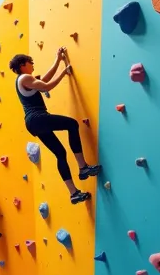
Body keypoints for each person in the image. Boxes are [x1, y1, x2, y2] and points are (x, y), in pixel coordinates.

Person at [11, 48, 100, 205]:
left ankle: (73, 193)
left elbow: (43, 81)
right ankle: (83, 167)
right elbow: (46, 87)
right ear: (23, 64)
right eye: (30, 63)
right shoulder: (24, 77)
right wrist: (63, 73)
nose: (32, 65)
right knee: (72, 124)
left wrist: (58, 60)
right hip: (37, 117)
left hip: (33, 123)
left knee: (60, 153)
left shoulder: (25, 81)